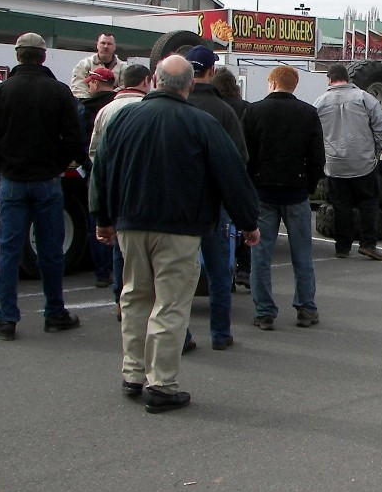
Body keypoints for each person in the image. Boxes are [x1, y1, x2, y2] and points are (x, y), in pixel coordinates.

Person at [89, 54, 260, 413]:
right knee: (169, 304)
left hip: (130, 224)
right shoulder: (201, 123)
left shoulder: (120, 119)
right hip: (180, 227)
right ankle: (162, 384)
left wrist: (102, 217)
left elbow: (101, 171)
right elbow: (232, 175)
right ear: (187, 86)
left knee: (134, 297)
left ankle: (133, 373)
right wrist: (247, 222)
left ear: (154, 79)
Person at [0, 32, 84, 340]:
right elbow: (73, 139)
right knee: (50, 251)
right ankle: (54, 312)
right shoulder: (59, 92)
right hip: (47, 180)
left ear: (17, 55)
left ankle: (7, 318)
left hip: (12, 179)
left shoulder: (0, 91)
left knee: (9, 250)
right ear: (43, 56)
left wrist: (2, 164)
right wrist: (59, 163)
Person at [242, 66, 325, 330]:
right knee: (302, 253)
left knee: (261, 255)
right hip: (296, 191)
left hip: (262, 191)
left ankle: (264, 311)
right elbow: (316, 158)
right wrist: (308, 185)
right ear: (295, 84)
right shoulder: (308, 114)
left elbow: (245, 154)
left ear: (271, 83)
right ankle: (305, 308)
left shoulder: (253, 111)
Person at [186, 44, 248, 351]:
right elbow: (238, 161)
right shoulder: (224, 111)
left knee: (176, 273)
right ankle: (220, 333)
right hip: (213, 204)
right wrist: (245, 215)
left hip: (177, 204)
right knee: (219, 270)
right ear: (211, 71)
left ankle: (179, 334)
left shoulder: (175, 106)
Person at [88, 63, 152, 318]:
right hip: (142, 186)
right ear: (146, 81)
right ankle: (145, 297)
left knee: (119, 245)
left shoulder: (105, 110)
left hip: (115, 185)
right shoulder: (147, 108)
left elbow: (94, 152)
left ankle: (120, 297)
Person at [314, 63, 382, 261]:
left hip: (334, 164)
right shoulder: (365, 98)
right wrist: (377, 150)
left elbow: (314, 133)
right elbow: (380, 127)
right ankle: (368, 244)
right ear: (348, 78)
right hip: (363, 161)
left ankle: (342, 247)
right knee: (369, 202)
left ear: (329, 79)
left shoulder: (320, 103)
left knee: (341, 206)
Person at [211, 65, 252, 289]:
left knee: (221, 224)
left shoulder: (214, 107)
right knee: (243, 219)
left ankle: (225, 270)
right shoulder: (244, 107)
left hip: (217, 171)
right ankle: (244, 268)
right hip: (240, 170)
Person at [81, 66, 117, 288]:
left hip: (96, 171)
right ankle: (118, 267)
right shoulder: (121, 107)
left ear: (95, 83)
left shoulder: (86, 110)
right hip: (120, 172)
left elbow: (83, 143)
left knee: (97, 220)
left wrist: (87, 165)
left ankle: (103, 272)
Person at [70, 32, 125, 99]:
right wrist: (90, 102)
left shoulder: (123, 68)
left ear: (114, 47)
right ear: (97, 45)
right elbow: (78, 87)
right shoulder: (84, 64)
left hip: (114, 105)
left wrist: (107, 98)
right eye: (103, 43)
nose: (106, 46)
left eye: (109, 44)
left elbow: (124, 88)